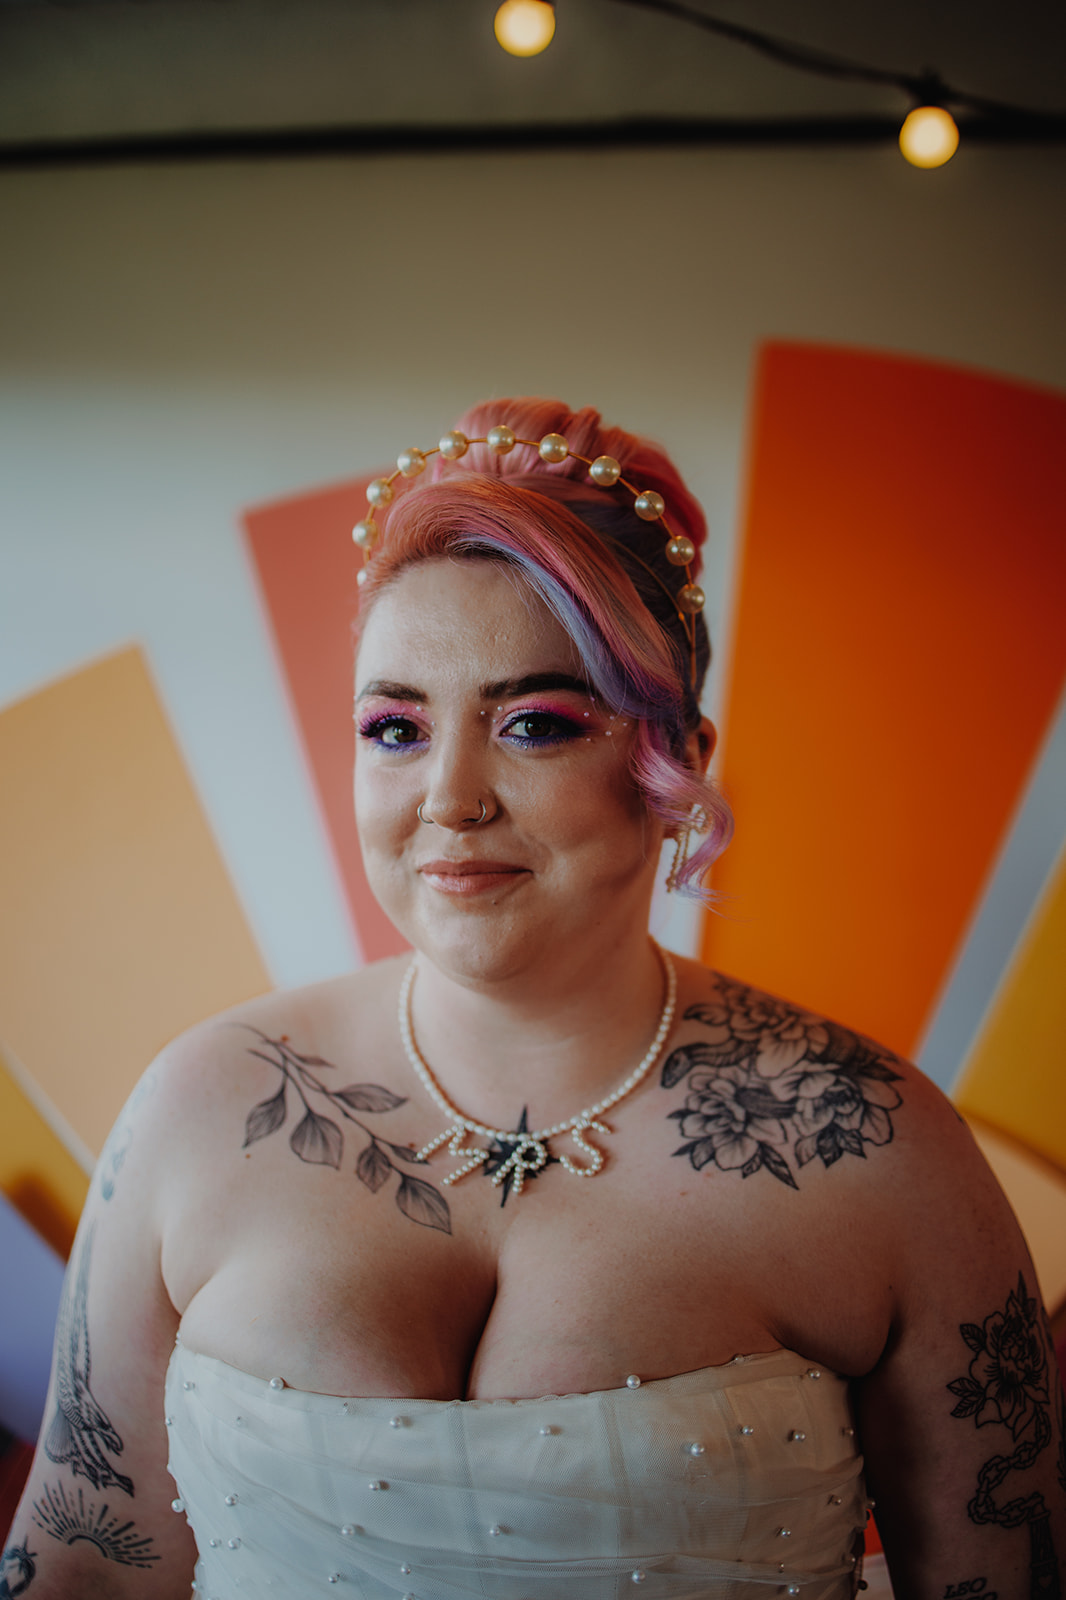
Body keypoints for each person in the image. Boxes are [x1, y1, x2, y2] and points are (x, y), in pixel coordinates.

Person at [3, 397, 1063, 1600]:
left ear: (675, 762)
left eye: (533, 723)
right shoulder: (194, 1105)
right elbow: (83, 1559)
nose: (449, 795)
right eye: (395, 726)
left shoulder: (880, 1146)